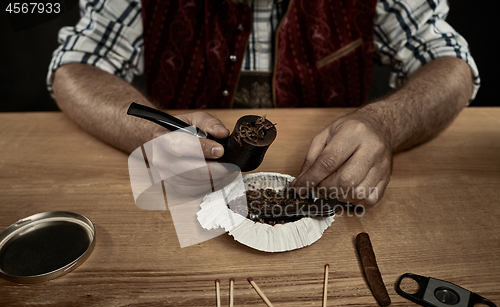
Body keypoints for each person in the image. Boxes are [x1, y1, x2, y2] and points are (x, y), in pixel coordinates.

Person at [47, 0, 479, 206]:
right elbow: (74, 67)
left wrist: (386, 123)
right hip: (182, 201)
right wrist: (148, 133)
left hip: (322, 207)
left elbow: (452, 64)